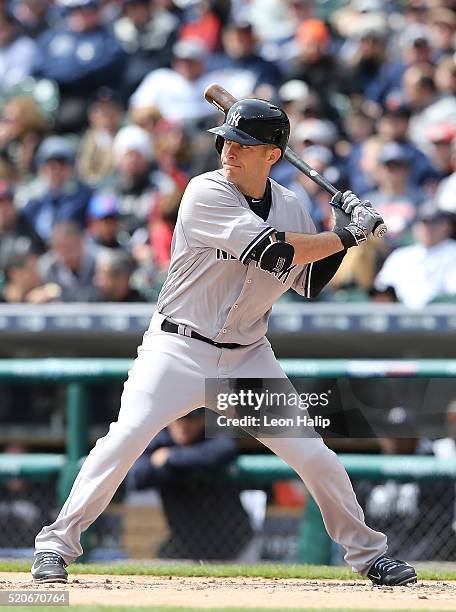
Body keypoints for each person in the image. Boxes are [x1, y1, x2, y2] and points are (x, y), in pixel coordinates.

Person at [31, 97, 417, 587]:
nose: (229, 150)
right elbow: (272, 251)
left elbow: (310, 281)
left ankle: (368, 555)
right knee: (123, 441)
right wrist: (345, 234)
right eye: (226, 141)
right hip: (177, 348)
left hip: (246, 357)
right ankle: (55, 547)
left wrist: (343, 232)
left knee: (314, 455)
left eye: (244, 144)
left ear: (272, 155)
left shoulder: (293, 205)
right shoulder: (203, 192)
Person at [126, 409, 253, 560]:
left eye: (191, 419)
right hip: (184, 544)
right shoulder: (162, 437)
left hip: (236, 543)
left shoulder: (214, 433)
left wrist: (171, 458)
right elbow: (136, 476)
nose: (183, 425)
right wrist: (183, 468)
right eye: (178, 418)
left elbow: (224, 450)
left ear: (204, 419)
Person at [373, 205, 456, 309]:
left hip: (441, 316)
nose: (427, 229)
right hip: (400, 316)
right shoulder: (401, 255)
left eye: (433, 225)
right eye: (424, 224)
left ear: (446, 227)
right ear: (415, 228)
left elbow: (452, 292)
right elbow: (382, 288)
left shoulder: (452, 252)